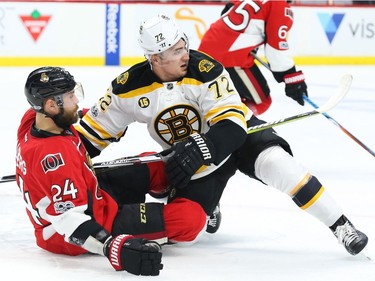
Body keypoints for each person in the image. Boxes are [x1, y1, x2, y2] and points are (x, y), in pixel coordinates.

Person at [75, 14, 368, 256]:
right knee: (187, 235)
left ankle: (340, 225)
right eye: (175, 51)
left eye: (183, 45)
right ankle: (211, 206)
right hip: (192, 161)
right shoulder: (126, 89)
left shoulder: (206, 69)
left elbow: (231, 125)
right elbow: (89, 136)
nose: (184, 54)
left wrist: (205, 145)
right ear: (154, 58)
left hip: (237, 137)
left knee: (280, 165)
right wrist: (63, 157)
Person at [15, 67, 209, 276]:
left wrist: (105, 120)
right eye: (71, 97)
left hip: (90, 190)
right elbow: (70, 222)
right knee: (192, 219)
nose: (76, 101)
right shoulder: (55, 159)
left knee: (156, 163)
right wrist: (109, 246)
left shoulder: (35, 120)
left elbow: (76, 121)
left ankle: (167, 193)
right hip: (83, 225)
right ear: (51, 105)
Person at [198, 0, 308, 116]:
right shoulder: (280, 6)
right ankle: (231, 124)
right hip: (228, 56)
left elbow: (230, 7)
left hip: (208, 49)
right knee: (261, 101)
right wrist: (291, 76)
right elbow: (276, 46)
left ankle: (223, 118)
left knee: (232, 96)